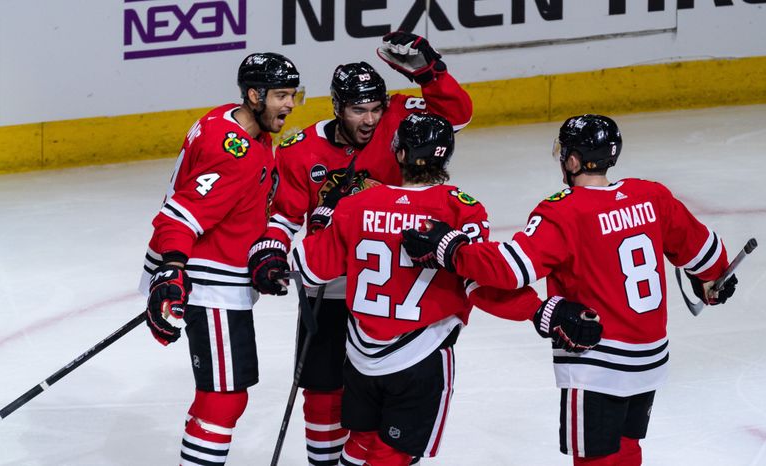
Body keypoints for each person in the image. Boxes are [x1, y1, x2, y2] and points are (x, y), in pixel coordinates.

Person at [401, 114, 739, 465]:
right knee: (627, 452)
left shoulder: (565, 211)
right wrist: (712, 281)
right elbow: (704, 251)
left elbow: (508, 270)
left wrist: (453, 248)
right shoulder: (650, 195)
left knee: (596, 460)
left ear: (573, 160)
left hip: (598, 361)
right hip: (649, 360)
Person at [246, 31, 473, 466]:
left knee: (375, 394)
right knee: (323, 387)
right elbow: (284, 218)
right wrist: (271, 251)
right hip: (327, 285)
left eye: (375, 108)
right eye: (357, 110)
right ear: (337, 108)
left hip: (389, 287)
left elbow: (457, 115)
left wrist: (430, 71)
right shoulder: (299, 151)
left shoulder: (400, 117)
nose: (369, 120)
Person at [138, 52, 301, 466]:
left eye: (292, 95)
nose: (290, 105)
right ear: (253, 94)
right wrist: (172, 269)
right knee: (224, 399)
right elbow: (180, 214)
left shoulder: (227, 119)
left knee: (222, 396)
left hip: (219, 275)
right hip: (211, 283)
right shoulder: (235, 152)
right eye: (281, 96)